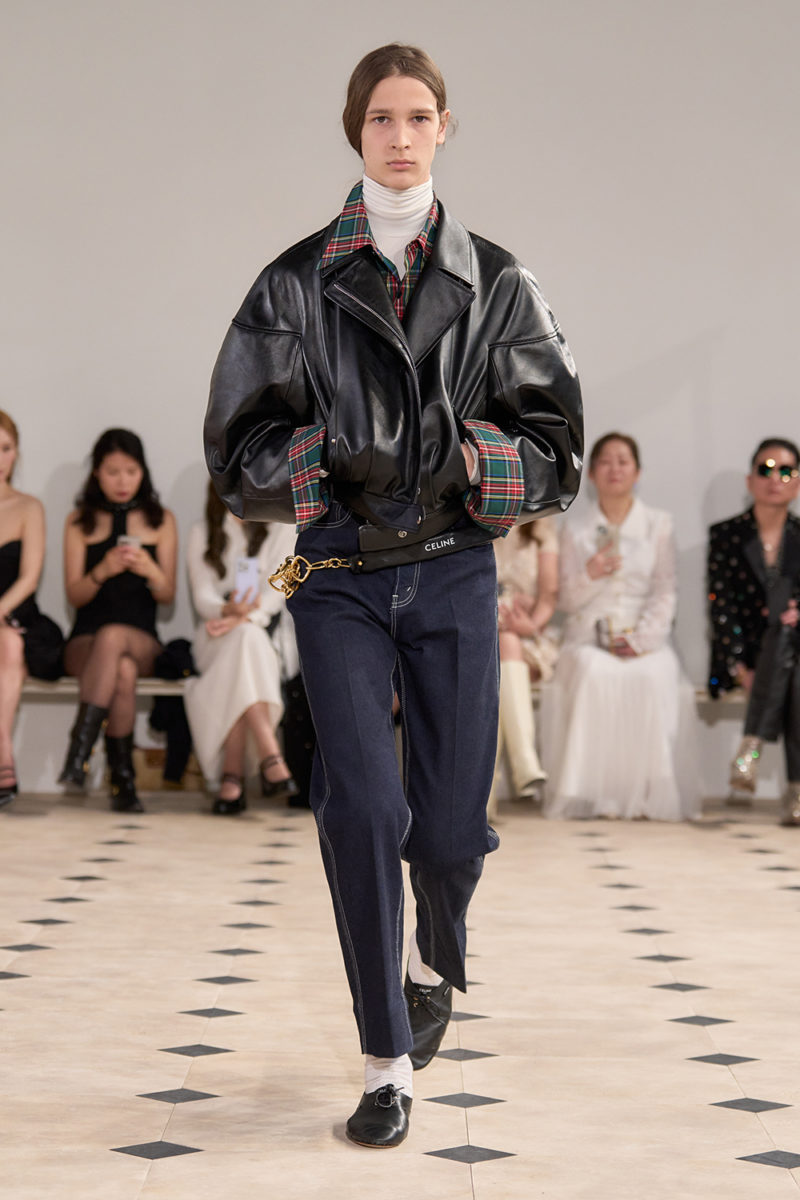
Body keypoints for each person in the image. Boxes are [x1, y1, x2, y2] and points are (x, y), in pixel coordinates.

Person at [204, 44, 582, 1147]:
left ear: (444, 128)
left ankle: (432, 955)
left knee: (453, 832)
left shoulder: (498, 282)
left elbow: (557, 445)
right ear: (355, 130)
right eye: (381, 117)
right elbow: (235, 446)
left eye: (419, 116)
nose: (401, 135)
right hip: (339, 574)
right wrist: (321, 456)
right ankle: (384, 1064)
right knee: (363, 808)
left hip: (456, 566)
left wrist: (475, 459)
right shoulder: (292, 282)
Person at [541, 432, 699, 821]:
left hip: (645, 638)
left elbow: (665, 591)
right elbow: (565, 601)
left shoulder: (658, 524)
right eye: (606, 461)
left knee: (653, 674)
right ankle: (596, 795)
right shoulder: (575, 529)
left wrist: (642, 640)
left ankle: (647, 794)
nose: (615, 469)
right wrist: (590, 574)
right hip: (588, 636)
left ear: (637, 472)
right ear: (592, 473)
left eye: (623, 461)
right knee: (594, 672)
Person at [59, 428, 176, 812]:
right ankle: (122, 781)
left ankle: (80, 752)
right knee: (120, 669)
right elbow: (75, 595)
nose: (122, 481)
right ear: (96, 472)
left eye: (131, 471)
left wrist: (149, 570)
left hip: (142, 640)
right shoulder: (79, 521)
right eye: (112, 472)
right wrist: (103, 570)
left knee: (117, 643)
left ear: (143, 471)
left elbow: (167, 594)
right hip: (85, 642)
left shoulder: (161, 521)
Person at [184, 482, 300, 814]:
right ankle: (269, 753)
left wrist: (247, 618)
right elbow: (202, 595)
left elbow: (283, 586)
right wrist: (227, 611)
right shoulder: (203, 531)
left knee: (245, 643)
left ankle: (231, 777)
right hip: (216, 632)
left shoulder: (283, 526)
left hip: (266, 633)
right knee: (242, 647)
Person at [707, 437, 800, 825]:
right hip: (743, 657)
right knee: (791, 665)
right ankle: (796, 791)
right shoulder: (726, 535)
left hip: (793, 652)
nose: (775, 479)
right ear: (750, 480)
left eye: (786, 471)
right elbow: (721, 608)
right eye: (766, 469)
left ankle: (752, 747)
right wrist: (740, 667)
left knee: (789, 639)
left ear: (797, 483)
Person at [0, 411, 64, 807]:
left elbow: (28, 578)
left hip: (19, 616)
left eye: (5, 448)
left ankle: (1, 753)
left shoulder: (29, 508)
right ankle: (4, 757)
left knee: (9, 643)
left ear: (17, 452)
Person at [489, 519, 559, 812]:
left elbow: (549, 596)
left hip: (527, 637)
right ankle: (525, 763)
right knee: (496, 654)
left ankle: (484, 798)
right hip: (480, 631)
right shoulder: (476, 520)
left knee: (504, 648)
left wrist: (529, 625)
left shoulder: (542, 530)